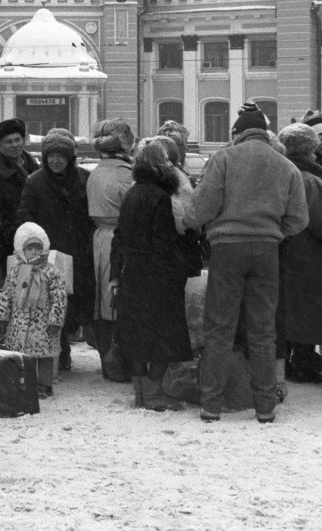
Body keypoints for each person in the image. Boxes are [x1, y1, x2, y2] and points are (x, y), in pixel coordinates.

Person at [189, 102, 308, 423]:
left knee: (219, 329)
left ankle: (211, 404)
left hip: (227, 250)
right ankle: (265, 407)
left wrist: (194, 221)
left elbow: (202, 207)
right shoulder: (285, 165)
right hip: (267, 251)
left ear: (237, 134)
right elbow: (299, 219)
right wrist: (273, 232)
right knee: (263, 330)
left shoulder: (224, 159)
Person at [110, 138, 199, 410]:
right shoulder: (160, 196)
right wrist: (178, 268)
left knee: (136, 334)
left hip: (132, 271)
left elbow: (120, 235)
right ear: (163, 165)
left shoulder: (132, 193)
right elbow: (163, 242)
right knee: (164, 334)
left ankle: (140, 393)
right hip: (157, 274)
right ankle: (154, 392)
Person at [17, 129, 93, 371]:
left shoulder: (84, 178)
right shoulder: (35, 181)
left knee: (72, 303)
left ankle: (65, 345)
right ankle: (59, 353)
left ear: (70, 157)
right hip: (47, 256)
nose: (56, 160)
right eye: (51, 155)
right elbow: (25, 218)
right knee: (49, 305)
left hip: (78, 252)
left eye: (61, 155)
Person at [276, 123, 322, 384]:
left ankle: (295, 359)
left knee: (291, 307)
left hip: (290, 249)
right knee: (307, 309)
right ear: (309, 148)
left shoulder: (283, 170)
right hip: (309, 253)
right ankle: (302, 362)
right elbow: (318, 222)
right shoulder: (310, 179)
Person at [86, 118, 136, 381]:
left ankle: (108, 359)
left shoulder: (96, 172)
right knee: (117, 298)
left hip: (99, 238)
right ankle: (121, 361)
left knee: (102, 299)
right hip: (119, 238)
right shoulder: (125, 174)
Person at [0, 222, 67, 398]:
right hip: (19, 323)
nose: (34, 252)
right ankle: (26, 383)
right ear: (22, 250)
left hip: (43, 323)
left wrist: (55, 319)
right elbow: (7, 295)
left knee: (44, 356)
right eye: (30, 248)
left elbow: (59, 297)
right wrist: (2, 316)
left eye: (37, 248)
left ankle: (44, 385)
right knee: (23, 357)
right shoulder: (15, 272)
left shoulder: (51, 272)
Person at [0, 117, 38, 282]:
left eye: (18, 139)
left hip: (38, 242)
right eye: (8, 141)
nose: (15, 145)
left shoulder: (34, 166)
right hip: (11, 246)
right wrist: (19, 238)